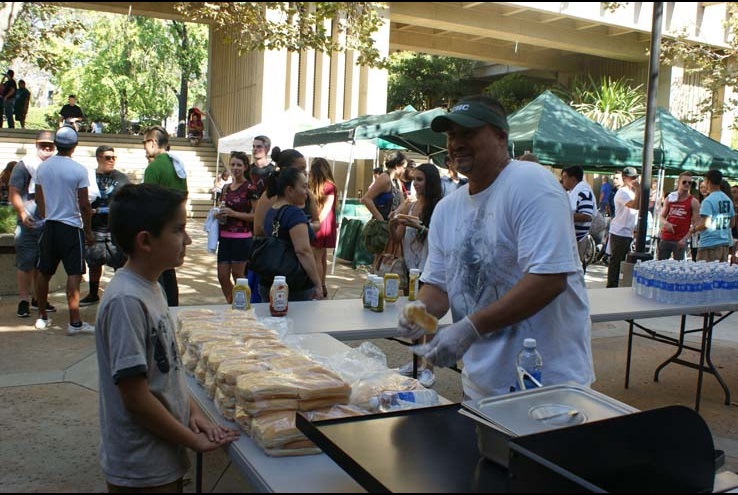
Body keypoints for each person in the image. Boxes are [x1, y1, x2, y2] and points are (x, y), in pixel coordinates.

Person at [397, 95, 594, 399]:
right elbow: (438, 287)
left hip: (547, 386)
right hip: (480, 385)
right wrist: (419, 311)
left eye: (469, 133)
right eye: (452, 135)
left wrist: (470, 328)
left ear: (501, 137)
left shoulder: (531, 183)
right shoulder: (448, 209)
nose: (457, 143)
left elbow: (549, 280)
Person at [96, 183, 240, 491]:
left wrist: (193, 412)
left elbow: (164, 371)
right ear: (145, 241)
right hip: (141, 466)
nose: (188, 239)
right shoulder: (126, 302)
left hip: (162, 455)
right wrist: (192, 441)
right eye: (178, 230)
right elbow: (135, 397)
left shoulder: (152, 287)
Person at [34, 125, 95, 334]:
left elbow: (38, 195)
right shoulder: (78, 170)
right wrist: (88, 231)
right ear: (75, 146)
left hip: (50, 226)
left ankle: (42, 316)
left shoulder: (43, 168)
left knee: (44, 271)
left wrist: (45, 214)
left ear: (56, 144)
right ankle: (74, 322)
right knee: (75, 272)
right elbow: (85, 205)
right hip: (71, 227)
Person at [389, 162, 443, 388]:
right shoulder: (410, 205)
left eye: (420, 179)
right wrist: (393, 222)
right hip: (410, 268)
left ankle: (428, 367)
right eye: (414, 179)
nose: (416, 184)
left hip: (429, 268)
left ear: (430, 182)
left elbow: (441, 238)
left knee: (427, 318)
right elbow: (398, 237)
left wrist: (421, 227)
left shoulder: (439, 207)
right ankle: (415, 361)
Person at [8, 131, 57, 318]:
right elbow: (14, 191)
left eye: (50, 145)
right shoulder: (25, 165)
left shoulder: (56, 165)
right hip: (28, 220)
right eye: (43, 144)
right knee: (26, 262)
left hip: (50, 220)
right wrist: (22, 212)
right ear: (36, 144)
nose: (47, 147)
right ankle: (23, 300)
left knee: (43, 262)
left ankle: (39, 298)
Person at [259, 166, 324, 302]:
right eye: (304, 187)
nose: (307, 192)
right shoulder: (294, 214)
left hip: (268, 280)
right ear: (289, 190)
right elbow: (303, 251)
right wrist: (318, 284)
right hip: (293, 284)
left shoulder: (271, 211)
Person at [79, 146, 130, 307]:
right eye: (107, 157)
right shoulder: (89, 177)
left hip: (115, 229)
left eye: (114, 157)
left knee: (119, 264)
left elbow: (127, 202)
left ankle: (119, 293)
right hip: (95, 228)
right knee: (94, 263)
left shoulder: (122, 179)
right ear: (98, 158)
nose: (111, 160)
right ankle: (93, 293)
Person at [142, 125, 188, 306]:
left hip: (157, 229)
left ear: (153, 142)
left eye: (144, 143)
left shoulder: (153, 169)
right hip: (175, 227)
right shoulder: (177, 167)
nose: (144, 148)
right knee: (169, 271)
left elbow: (147, 204)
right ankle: (173, 309)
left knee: (156, 274)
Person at [216, 151, 258, 303]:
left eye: (239, 165)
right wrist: (219, 215)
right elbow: (221, 207)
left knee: (238, 275)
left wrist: (234, 213)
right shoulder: (226, 188)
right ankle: (233, 302)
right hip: (224, 237)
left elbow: (256, 216)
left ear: (245, 167)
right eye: (232, 164)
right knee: (222, 276)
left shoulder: (250, 188)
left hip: (242, 238)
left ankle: (243, 305)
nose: (235, 168)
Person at [308, 157, 338, 298]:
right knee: (322, 256)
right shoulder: (325, 185)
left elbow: (325, 209)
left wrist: (314, 225)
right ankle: (323, 284)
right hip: (323, 223)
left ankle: (318, 287)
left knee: (317, 257)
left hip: (321, 223)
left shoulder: (327, 186)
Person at [606, 167, 640, 288]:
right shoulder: (622, 192)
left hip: (627, 231)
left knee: (621, 261)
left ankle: (616, 285)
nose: (635, 180)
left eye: (636, 177)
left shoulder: (631, 192)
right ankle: (611, 286)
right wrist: (639, 189)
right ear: (625, 178)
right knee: (616, 262)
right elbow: (635, 206)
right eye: (633, 177)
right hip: (620, 231)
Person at [694, 169, 735, 262]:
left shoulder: (708, 201)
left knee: (704, 274)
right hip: (724, 243)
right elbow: (732, 223)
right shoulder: (728, 199)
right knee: (720, 275)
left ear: (708, 181)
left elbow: (706, 224)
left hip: (709, 244)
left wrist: (694, 229)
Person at [657, 172, 699, 261]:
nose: (687, 184)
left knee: (678, 268)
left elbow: (696, 224)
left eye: (689, 183)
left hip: (680, 239)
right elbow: (661, 217)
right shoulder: (670, 198)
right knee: (660, 265)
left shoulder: (693, 201)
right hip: (666, 237)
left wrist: (685, 239)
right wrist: (666, 223)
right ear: (678, 182)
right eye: (684, 182)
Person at [560, 165, 595, 271]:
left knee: (576, 268)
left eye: (565, 177)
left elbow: (586, 216)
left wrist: (562, 215)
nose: (562, 180)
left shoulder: (583, 192)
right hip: (571, 237)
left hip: (578, 239)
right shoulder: (573, 192)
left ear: (573, 178)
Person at [361, 150, 407, 222]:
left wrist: (397, 212)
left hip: (392, 224)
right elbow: (366, 199)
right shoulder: (385, 178)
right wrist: (380, 219)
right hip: (381, 227)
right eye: (404, 167)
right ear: (396, 166)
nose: (404, 171)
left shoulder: (396, 181)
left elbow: (402, 202)